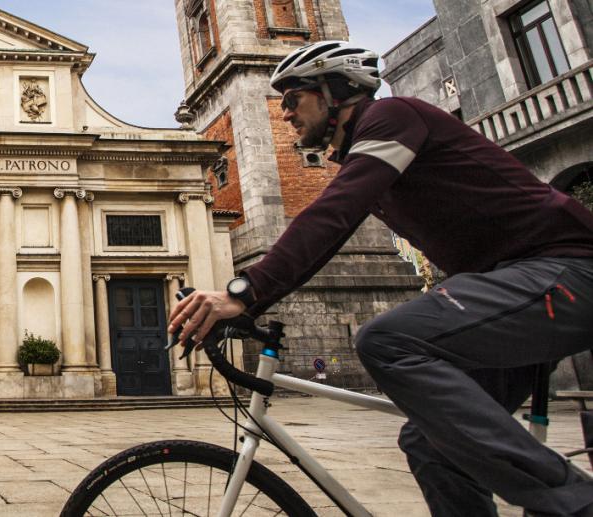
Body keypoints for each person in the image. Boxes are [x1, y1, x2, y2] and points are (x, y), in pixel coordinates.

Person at [168, 40, 593, 516]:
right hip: (513, 290)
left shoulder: (393, 118)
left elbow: (333, 215)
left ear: (337, 91)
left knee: (386, 340)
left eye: (293, 99)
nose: (284, 113)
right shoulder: (366, 151)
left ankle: (575, 503)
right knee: (432, 443)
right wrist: (255, 302)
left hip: (565, 272)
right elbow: (328, 233)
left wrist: (244, 292)